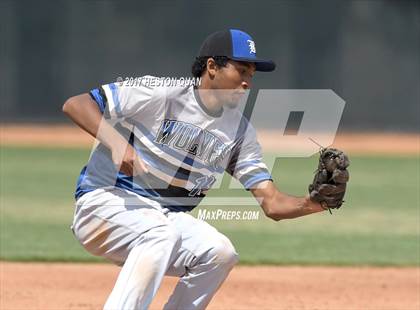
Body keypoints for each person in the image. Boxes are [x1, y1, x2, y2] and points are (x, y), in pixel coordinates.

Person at [63, 29, 326, 310]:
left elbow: (272, 203)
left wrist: (316, 203)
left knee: (219, 253)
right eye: (241, 70)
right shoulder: (161, 93)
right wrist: (117, 144)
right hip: (105, 203)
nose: (248, 82)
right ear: (212, 66)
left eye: (252, 74)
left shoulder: (239, 132)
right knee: (160, 233)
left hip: (163, 219)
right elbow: (77, 104)